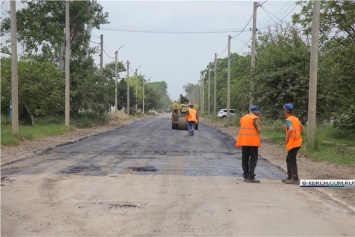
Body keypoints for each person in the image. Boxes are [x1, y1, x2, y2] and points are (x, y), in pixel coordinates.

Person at [236, 106, 262, 183]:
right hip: (253, 142)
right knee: (253, 159)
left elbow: (242, 124)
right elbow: (259, 129)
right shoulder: (255, 118)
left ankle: (245, 176)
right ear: (256, 112)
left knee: (245, 159)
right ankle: (251, 177)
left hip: (244, 141)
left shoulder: (243, 117)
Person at [282, 103, 304, 185]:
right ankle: (290, 177)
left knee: (291, 159)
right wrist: (298, 134)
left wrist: (287, 137)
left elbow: (290, 129)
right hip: (298, 141)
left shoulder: (288, 120)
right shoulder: (296, 119)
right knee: (289, 159)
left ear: (285, 111)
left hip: (293, 143)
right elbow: (302, 128)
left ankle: (294, 178)